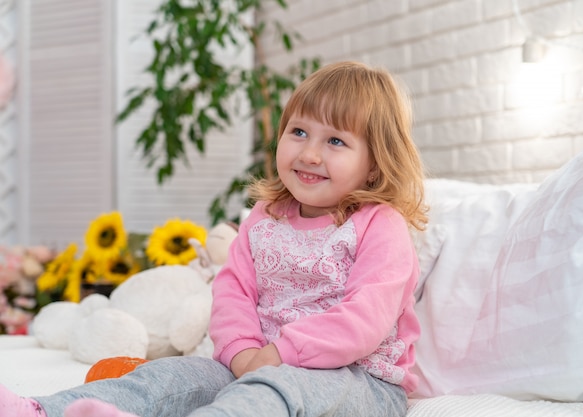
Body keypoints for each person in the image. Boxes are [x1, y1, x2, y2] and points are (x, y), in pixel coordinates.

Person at [1, 60, 428, 417]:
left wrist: (280, 356)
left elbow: (364, 317)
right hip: (255, 361)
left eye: (335, 140)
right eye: (299, 132)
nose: (310, 153)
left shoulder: (379, 225)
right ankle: (45, 410)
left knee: (268, 397)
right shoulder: (267, 218)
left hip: (358, 382)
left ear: (375, 164)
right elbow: (233, 290)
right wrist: (242, 352)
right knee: (169, 376)